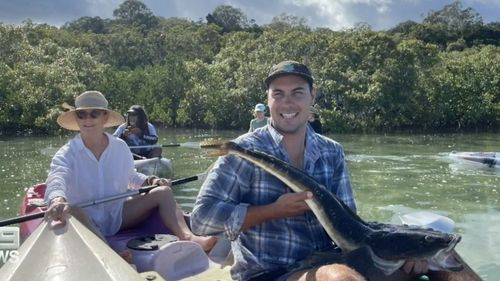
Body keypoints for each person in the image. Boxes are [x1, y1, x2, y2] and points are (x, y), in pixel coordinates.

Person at [190, 61, 428, 281]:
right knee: (340, 279)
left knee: (438, 261)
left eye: (297, 93)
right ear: (268, 99)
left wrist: (404, 248)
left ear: (312, 96)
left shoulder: (331, 151)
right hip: (269, 273)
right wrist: (272, 211)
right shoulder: (243, 152)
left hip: (330, 259)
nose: (287, 103)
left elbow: (351, 225)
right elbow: (201, 220)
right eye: (278, 94)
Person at [44, 91, 217, 258]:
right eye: (82, 115)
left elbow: (130, 177)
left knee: (163, 192)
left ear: (104, 117)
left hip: (118, 215)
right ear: (77, 119)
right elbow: (57, 179)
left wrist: (152, 180)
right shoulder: (66, 153)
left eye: (94, 114)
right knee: (73, 210)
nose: (87, 119)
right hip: (84, 220)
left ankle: (189, 238)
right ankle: (110, 255)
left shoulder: (119, 147)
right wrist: (57, 199)